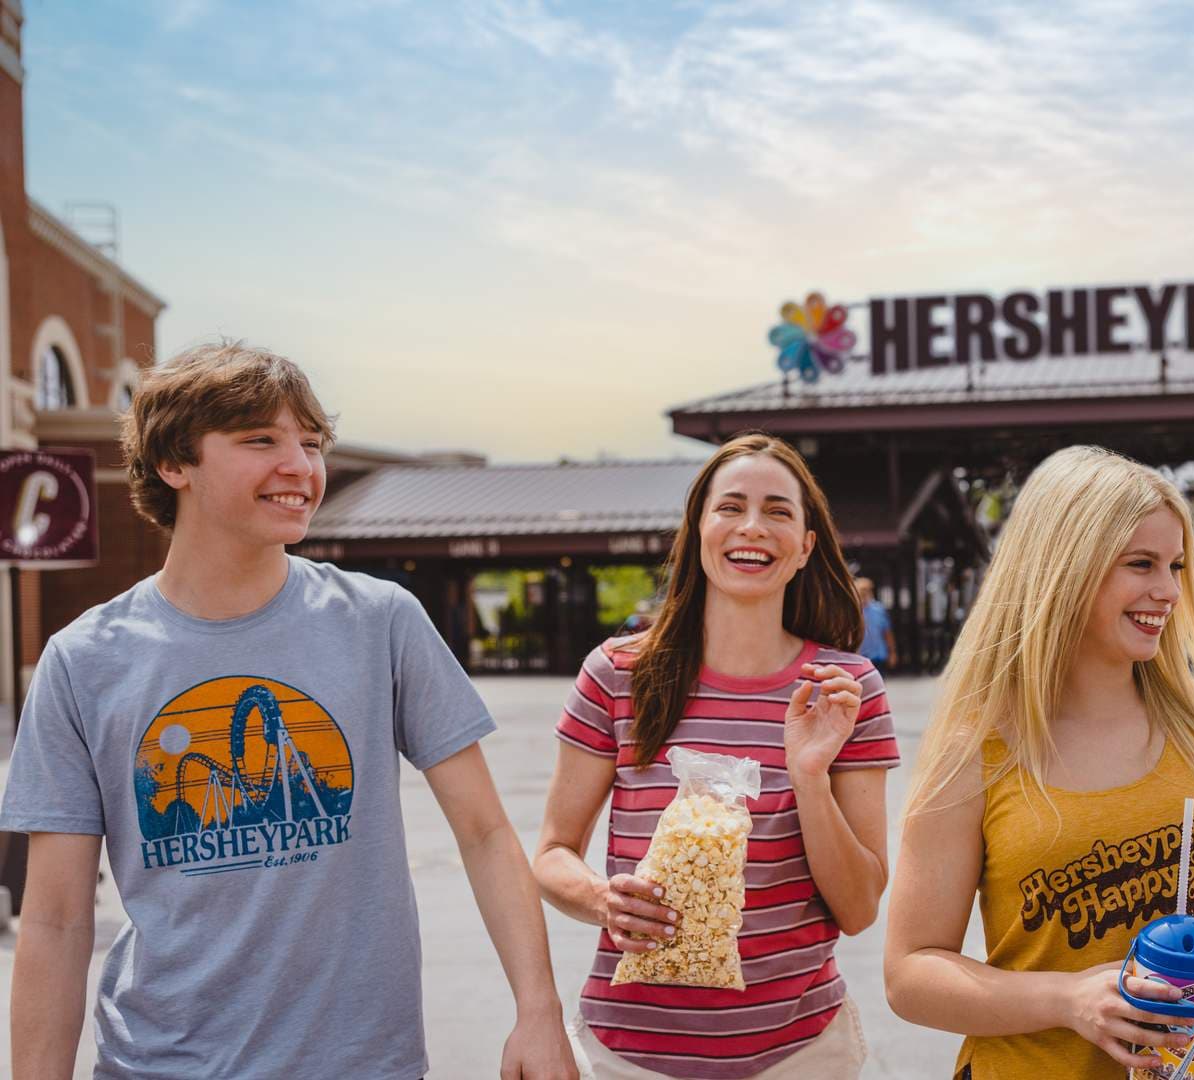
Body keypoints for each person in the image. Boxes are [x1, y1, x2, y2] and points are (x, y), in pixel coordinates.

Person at [1, 342, 575, 1079]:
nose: (300, 468)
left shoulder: (380, 621)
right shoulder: (85, 660)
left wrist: (538, 1010)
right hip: (161, 1064)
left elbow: (487, 832)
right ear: (175, 464)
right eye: (260, 441)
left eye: (310, 443)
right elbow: (54, 919)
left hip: (364, 1064)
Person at [885, 446, 1194, 1079]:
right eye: (1141, 564)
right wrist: (1068, 1001)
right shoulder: (978, 744)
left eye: (1176, 565)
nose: (1168, 591)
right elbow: (910, 974)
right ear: (1064, 570)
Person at [535, 433, 898, 1079]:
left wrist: (808, 774)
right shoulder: (617, 674)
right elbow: (552, 853)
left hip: (803, 1053)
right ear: (698, 529)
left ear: (806, 547)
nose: (752, 527)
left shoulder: (845, 689)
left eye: (779, 511)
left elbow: (860, 908)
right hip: (629, 1055)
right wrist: (600, 899)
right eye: (730, 507)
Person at [856, 576, 896, 670]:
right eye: (862, 590)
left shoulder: (879, 609)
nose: (865, 593)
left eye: (867, 590)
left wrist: (892, 652)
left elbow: (887, 632)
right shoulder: (853, 610)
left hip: (878, 655)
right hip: (860, 656)